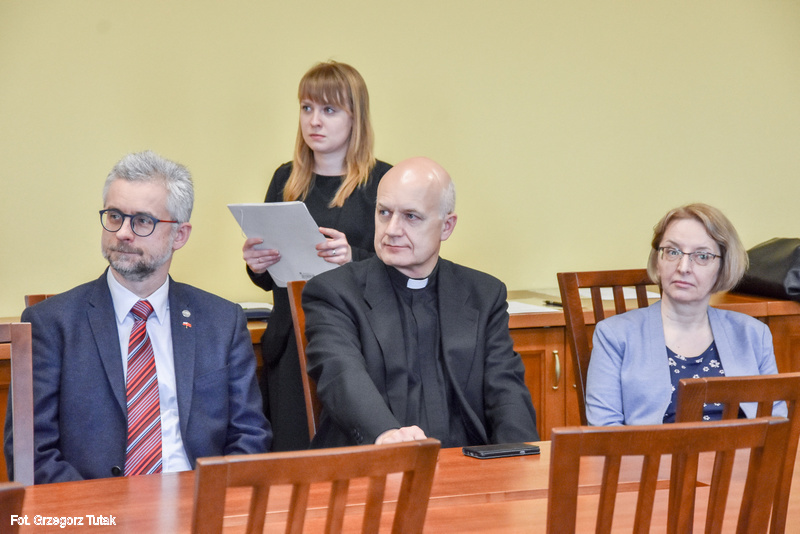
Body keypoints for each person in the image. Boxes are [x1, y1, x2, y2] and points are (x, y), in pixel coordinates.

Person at [4, 151, 271, 484]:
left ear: (180, 235)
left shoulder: (222, 322)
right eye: (115, 216)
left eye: (143, 221)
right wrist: (103, 509)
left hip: (199, 501)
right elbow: (31, 455)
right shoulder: (51, 324)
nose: (123, 233)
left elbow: (250, 436)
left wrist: (209, 501)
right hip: (93, 506)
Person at [301, 157, 539, 448]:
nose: (392, 229)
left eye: (411, 216)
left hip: (466, 461)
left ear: (447, 226)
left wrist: (519, 458)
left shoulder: (484, 294)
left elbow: (506, 391)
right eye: (384, 212)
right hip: (373, 460)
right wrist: (386, 434)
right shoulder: (334, 292)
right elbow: (341, 375)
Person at [243, 61, 391, 451]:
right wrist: (257, 263)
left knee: (351, 454)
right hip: (292, 341)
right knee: (294, 455)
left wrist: (353, 256)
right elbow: (269, 276)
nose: (314, 121)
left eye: (329, 110)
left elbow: (402, 268)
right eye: (307, 108)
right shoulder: (286, 178)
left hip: (358, 344)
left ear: (355, 117)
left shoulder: (382, 181)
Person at [585, 203, 786, 426]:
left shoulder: (753, 334)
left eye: (702, 256)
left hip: (741, 449)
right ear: (658, 260)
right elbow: (604, 430)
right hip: (650, 450)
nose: (683, 267)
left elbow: (777, 423)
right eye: (673, 252)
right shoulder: (613, 335)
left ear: (723, 267)